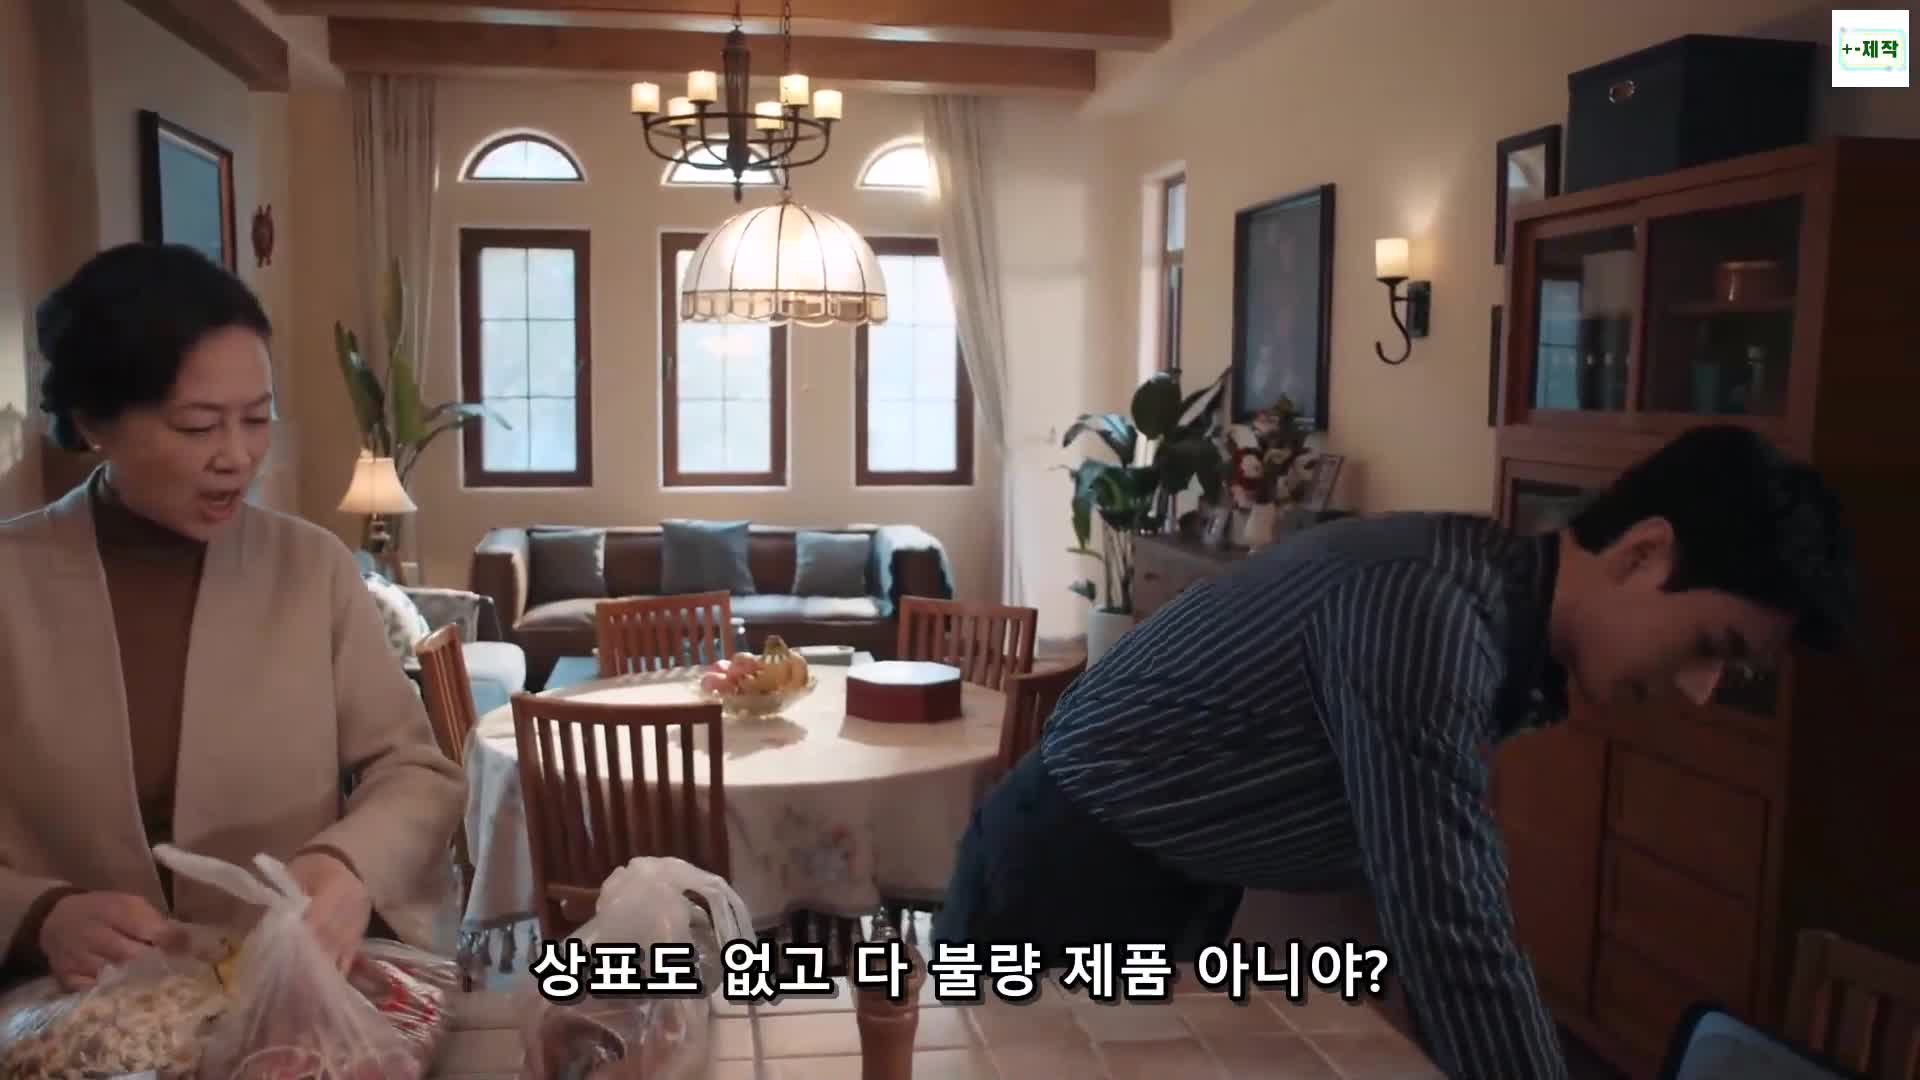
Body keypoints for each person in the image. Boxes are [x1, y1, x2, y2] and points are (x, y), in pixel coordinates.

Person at [933, 424, 1860, 1079]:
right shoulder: (1430, 614)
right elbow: (1449, 923)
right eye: (1711, 646)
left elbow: (1405, 881)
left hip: (1163, 869)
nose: (1699, 689)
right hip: (1061, 871)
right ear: (1644, 554)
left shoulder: (1491, 606)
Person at [0, 243, 466, 991]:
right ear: (93, 423)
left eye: (256, 419)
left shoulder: (309, 569)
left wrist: (348, 864)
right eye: (197, 427)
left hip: (285, 996)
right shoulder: (12, 582)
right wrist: (40, 915)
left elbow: (415, 770)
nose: (238, 456)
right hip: (66, 1015)